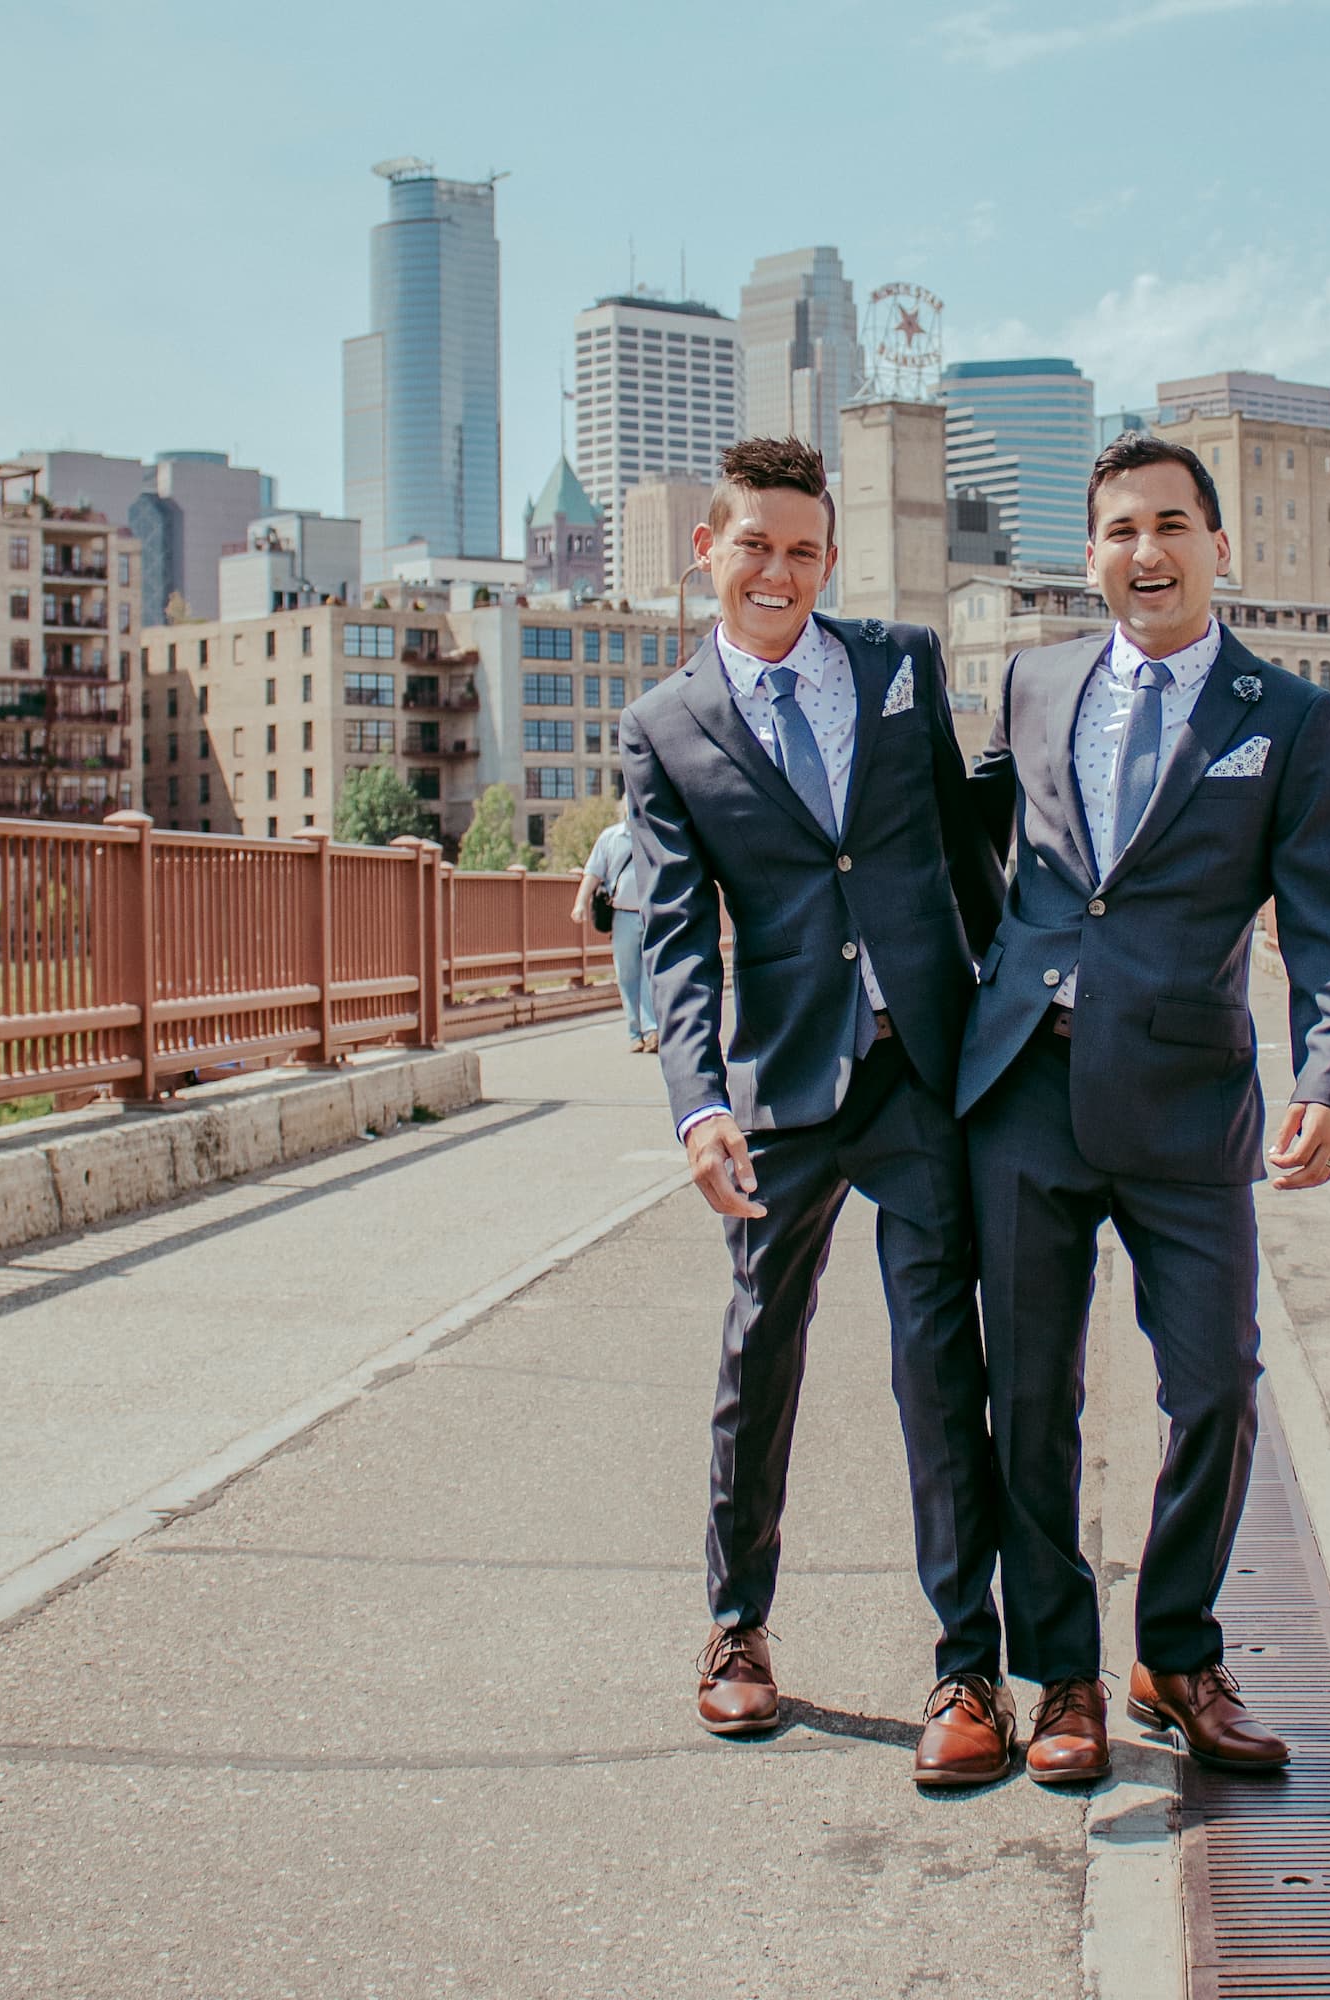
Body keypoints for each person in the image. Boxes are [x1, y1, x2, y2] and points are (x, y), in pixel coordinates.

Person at [960, 433, 1330, 1784]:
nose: (1146, 551)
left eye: (1172, 526)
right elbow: (962, 839)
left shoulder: (1290, 716)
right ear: (1090, 556)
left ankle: (1177, 1647)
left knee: (1217, 1388)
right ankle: (1062, 1677)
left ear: (1217, 544)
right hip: (1026, 1085)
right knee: (1030, 1400)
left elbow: (1329, 919)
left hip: (1191, 1100)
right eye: (1121, 530)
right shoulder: (1032, 682)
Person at [618, 438, 1012, 1789]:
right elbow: (671, 929)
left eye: (802, 550)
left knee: (937, 1365)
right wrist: (696, 1104)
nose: (778, 571)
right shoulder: (666, 725)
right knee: (759, 1355)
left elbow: (966, 847)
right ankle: (737, 1632)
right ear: (707, 553)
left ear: (828, 560)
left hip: (921, 1069)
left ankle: (969, 1665)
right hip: (782, 1089)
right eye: (754, 547)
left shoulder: (902, 666)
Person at [571, 802, 657, 1052]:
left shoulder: (653, 835)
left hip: (651, 914)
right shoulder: (611, 837)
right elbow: (593, 873)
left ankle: (652, 1030)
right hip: (622, 916)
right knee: (627, 975)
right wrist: (580, 903)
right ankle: (635, 1033)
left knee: (650, 973)